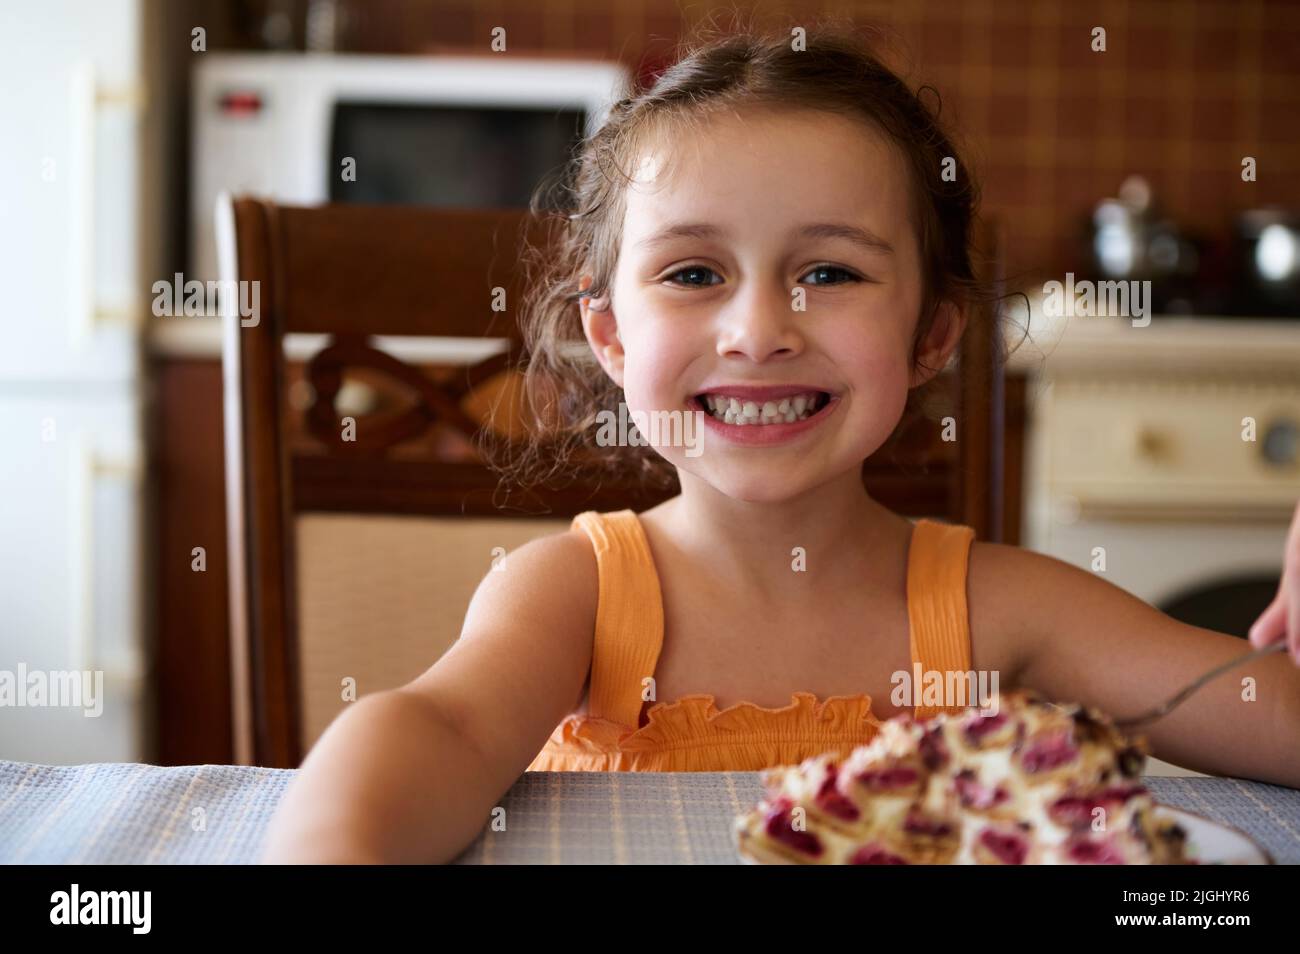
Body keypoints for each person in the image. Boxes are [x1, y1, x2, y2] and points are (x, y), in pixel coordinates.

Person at [260, 21, 1300, 864]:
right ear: (610, 335)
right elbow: (432, 733)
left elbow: (1275, 720)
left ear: (932, 332)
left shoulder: (1002, 610)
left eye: (831, 273)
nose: (758, 330)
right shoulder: (573, 596)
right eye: (693, 274)